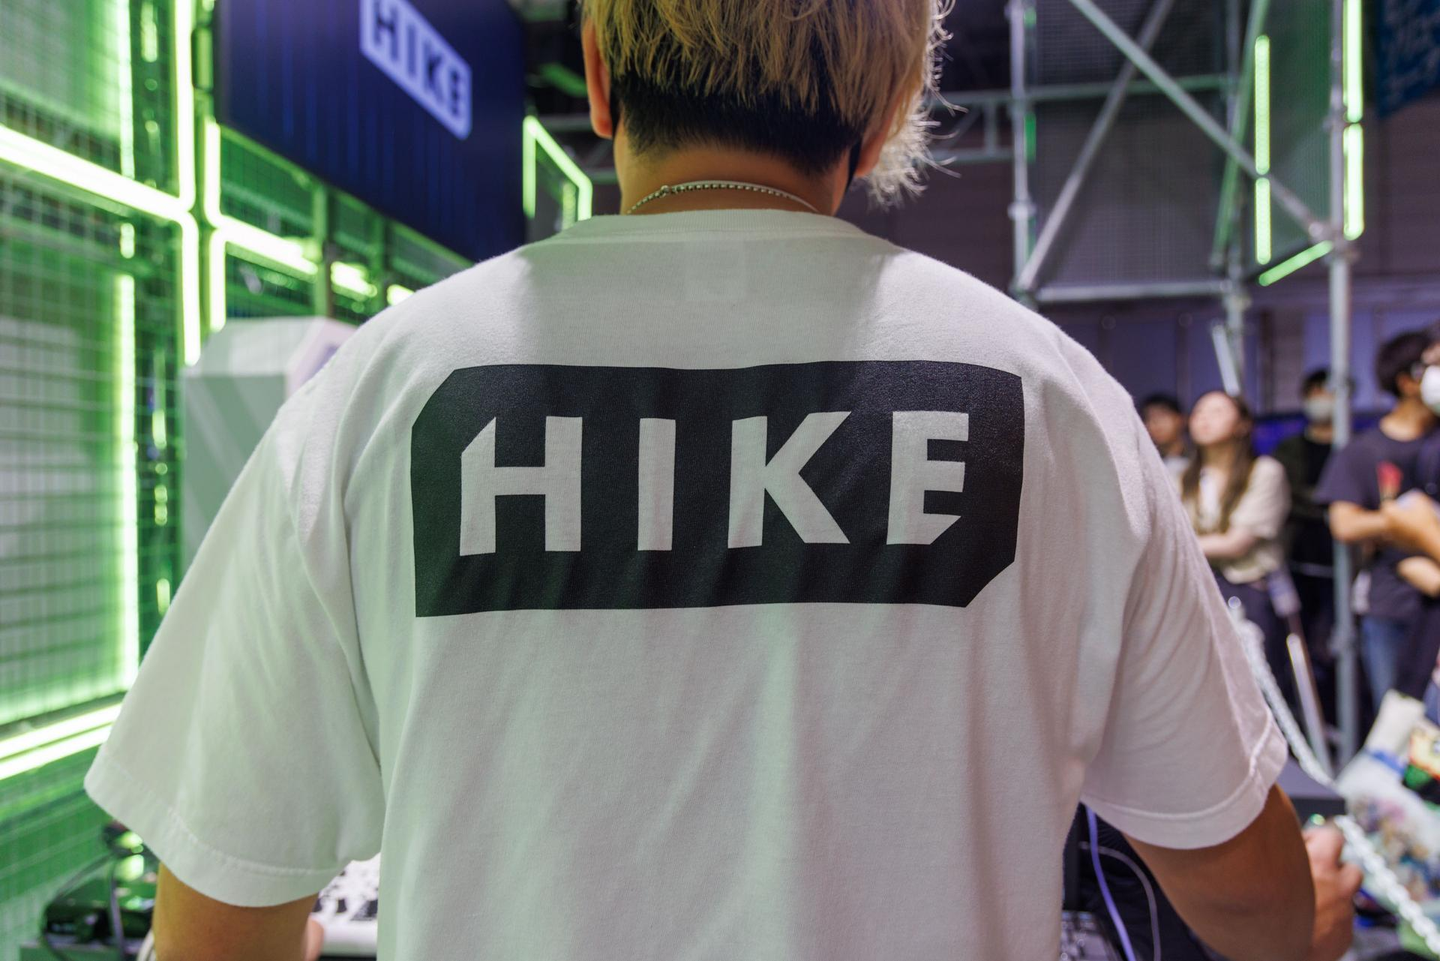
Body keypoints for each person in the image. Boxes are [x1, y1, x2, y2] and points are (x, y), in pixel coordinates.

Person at [82, 3, 1357, 960]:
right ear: (890, 104)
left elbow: (218, 919)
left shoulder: (387, 390)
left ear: (598, 76)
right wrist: (1301, 920)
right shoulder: (1050, 397)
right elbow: (1242, 884)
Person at [1316, 331, 1437, 713]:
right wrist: (1396, 522)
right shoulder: (1364, 450)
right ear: (1408, 380)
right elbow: (1344, 524)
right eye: (1434, 364)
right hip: (1392, 604)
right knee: (1401, 720)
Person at [1180, 391, 1292, 686]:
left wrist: (1177, 546)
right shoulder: (1181, 477)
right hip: (1195, 587)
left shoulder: (1265, 472)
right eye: (1199, 412)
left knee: (1254, 682)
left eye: (1216, 411)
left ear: (1243, 425)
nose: (1204, 419)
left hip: (1248, 588)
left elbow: (1237, 543)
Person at [1272, 370, 1339, 687]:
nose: (1321, 399)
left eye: (1327, 392)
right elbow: (1287, 495)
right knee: (1299, 638)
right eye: (1315, 392)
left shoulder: (1353, 446)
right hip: (1298, 555)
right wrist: (1330, 503)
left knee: (1338, 641)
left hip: (1342, 562)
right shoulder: (1289, 449)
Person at [1141, 392, 1190, 477]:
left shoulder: (1196, 456)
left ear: (1180, 419)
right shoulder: (1144, 461)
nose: (1155, 422)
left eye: (1162, 415)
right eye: (1149, 418)